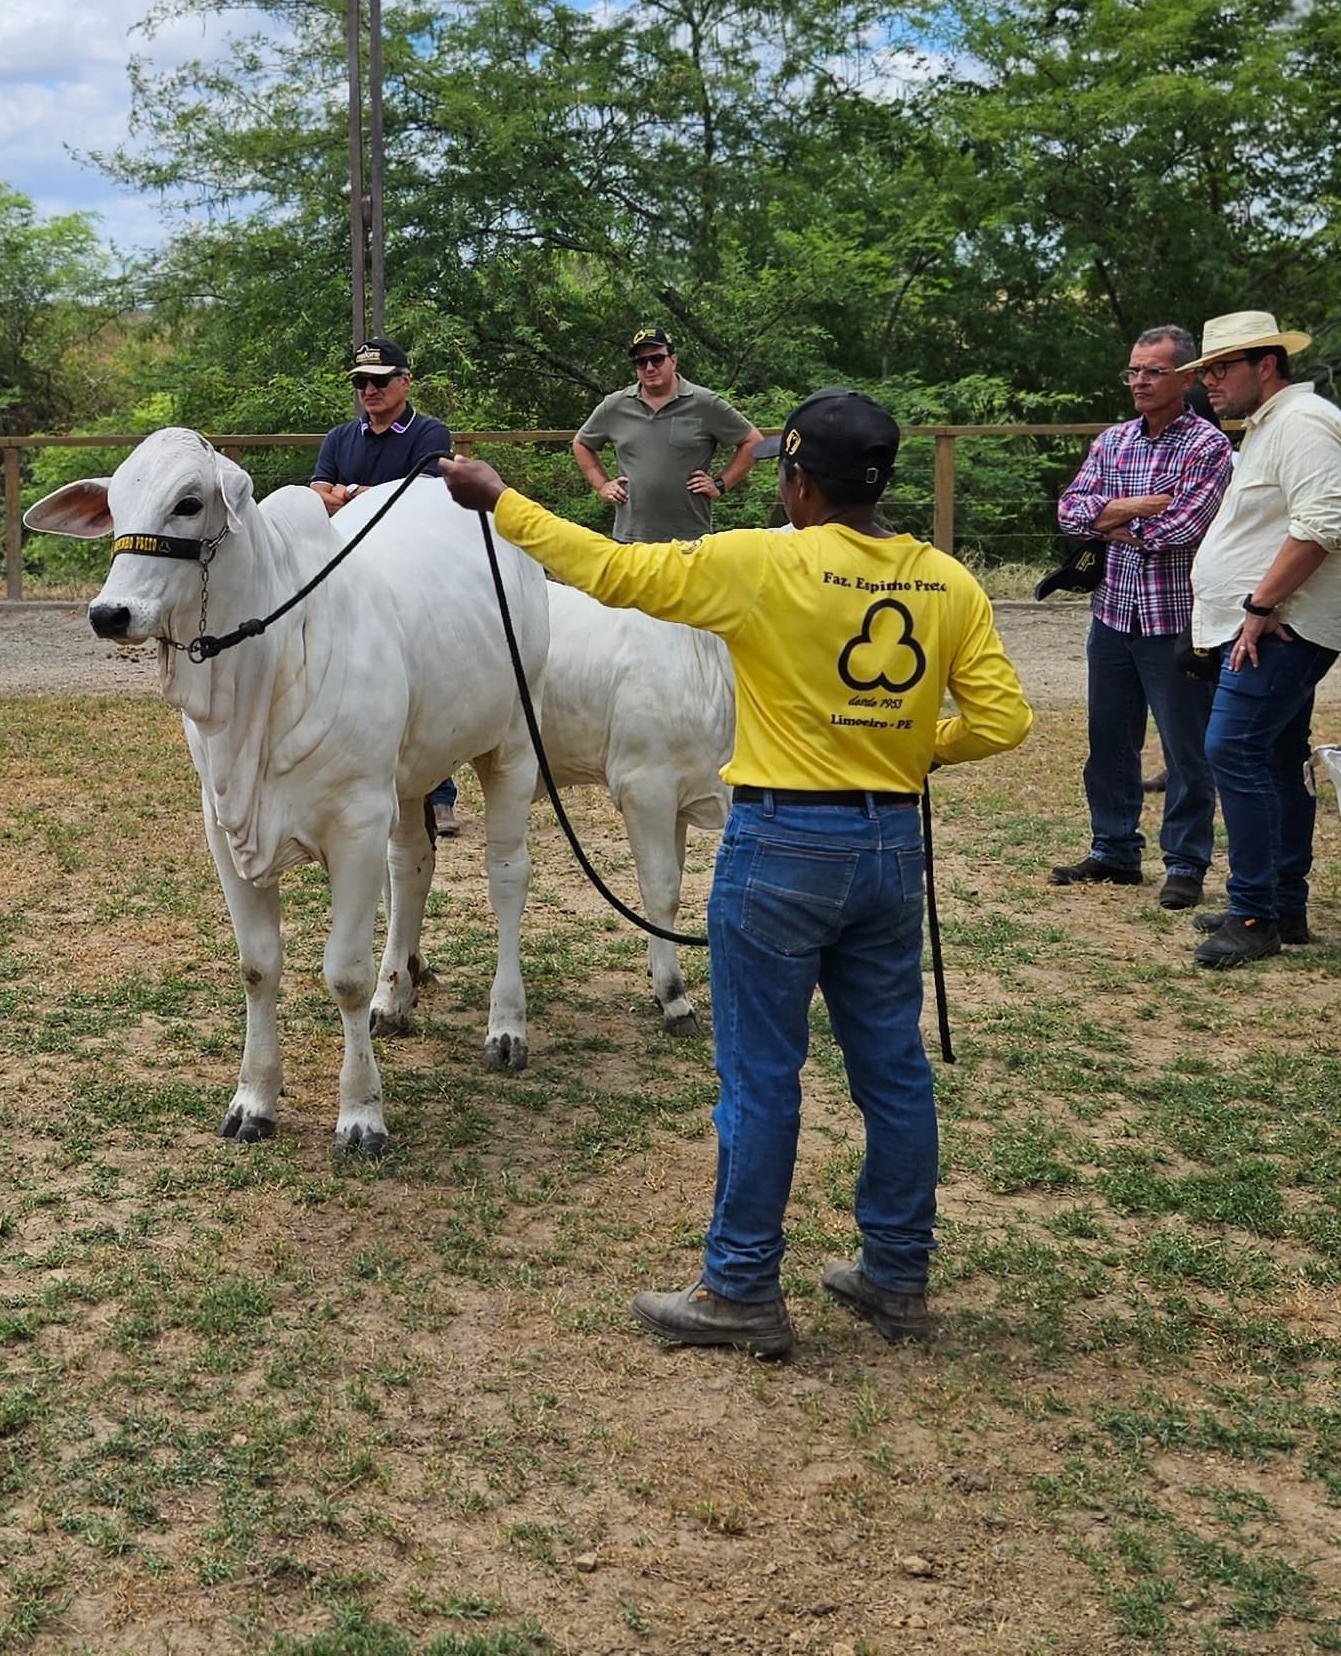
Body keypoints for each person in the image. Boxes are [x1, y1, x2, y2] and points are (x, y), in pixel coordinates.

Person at [435, 390, 1030, 1352]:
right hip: (889, 847)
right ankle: (897, 1273)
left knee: (760, 1075)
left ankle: (744, 1284)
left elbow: (609, 569)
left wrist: (498, 498)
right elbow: (1005, 722)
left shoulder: (763, 563)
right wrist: (905, 746)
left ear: (795, 480)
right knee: (893, 1070)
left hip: (784, 841)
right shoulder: (946, 582)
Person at [1182, 310, 1341, 968]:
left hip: (1277, 627)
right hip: (1272, 624)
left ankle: (1256, 911)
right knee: (1272, 755)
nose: (1208, 381)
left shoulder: (1303, 424)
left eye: (1221, 368)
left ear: (1267, 365)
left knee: (1232, 747)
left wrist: (1261, 605)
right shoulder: (1275, 426)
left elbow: (1323, 525)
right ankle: (1280, 903)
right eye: (1204, 369)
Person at [1048, 324, 1236, 911]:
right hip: (1112, 614)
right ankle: (1113, 849)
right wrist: (1125, 509)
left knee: (1186, 748)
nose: (1140, 382)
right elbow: (1069, 511)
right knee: (1108, 739)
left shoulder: (1208, 447)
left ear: (1185, 376)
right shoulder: (1112, 440)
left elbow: (1182, 528)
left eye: (1153, 371)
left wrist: (1108, 519)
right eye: (1133, 370)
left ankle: (1184, 862)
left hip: (1174, 619)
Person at [313, 338, 459, 831]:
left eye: (379, 380)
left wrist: (350, 494)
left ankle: (439, 793)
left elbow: (421, 494)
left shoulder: (429, 432)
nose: (368, 390)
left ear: (404, 381)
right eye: (361, 382)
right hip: (347, 567)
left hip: (413, 571)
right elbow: (318, 491)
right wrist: (365, 495)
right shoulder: (339, 436)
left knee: (424, 676)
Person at [567, 327, 757, 544]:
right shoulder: (615, 405)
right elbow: (581, 443)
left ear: (673, 360)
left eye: (657, 359)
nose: (649, 368)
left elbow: (752, 441)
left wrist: (720, 484)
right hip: (631, 538)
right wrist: (602, 485)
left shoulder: (705, 403)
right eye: (641, 362)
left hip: (690, 539)